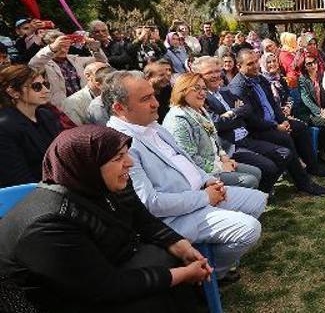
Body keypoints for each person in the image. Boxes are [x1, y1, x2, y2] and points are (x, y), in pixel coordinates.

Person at [0, 125, 212, 313]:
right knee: (154, 298)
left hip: (101, 273)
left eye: (126, 154)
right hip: (56, 299)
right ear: (86, 164)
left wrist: (180, 245)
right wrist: (182, 275)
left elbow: (142, 219)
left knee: (167, 258)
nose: (129, 163)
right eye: (117, 158)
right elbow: (102, 289)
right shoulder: (49, 224)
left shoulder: (102, 183)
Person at [103, 70, 266, 282]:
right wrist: (206, 197)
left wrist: (208, 180)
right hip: (176, 216)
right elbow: (150, 204)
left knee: (259, 200)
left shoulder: (152, 126)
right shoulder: (121, 144)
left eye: (153, 95)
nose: (156, 103)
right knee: (250, 229)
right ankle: (211, 275)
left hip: (200, 193)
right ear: (119, 108)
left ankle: (216, 259)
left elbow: (185, 159)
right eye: (146, 99)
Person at [230, 50, 325, 181]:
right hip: (257, 130)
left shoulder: (260, 79)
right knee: (284, 138)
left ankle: (313, 167)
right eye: (250, 63)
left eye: (256, 61)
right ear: (239, 66)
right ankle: (302, 180)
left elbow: (273, 104)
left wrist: (284, 121)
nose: (255, 66)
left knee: (301, 128)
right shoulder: (238, 87)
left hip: (274, 123)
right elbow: (251, 119)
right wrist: (276, 126)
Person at [192, 56, 291, 195]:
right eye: (209, 73)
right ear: (198, 76)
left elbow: (248, 109)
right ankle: (258, 195)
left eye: (216, 71)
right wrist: (237, 112)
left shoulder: (226, 91)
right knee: (268, 166)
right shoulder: (202, 98)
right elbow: (216, 124)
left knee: (284, 153)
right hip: (230, 146)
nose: (215, 75)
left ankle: (264, 192)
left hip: (246, 138)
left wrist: (232, 113)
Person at [162, 73, 262, 189]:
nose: (203, 93)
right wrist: (221, 167)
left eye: (204, 88)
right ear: (182, 90)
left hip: (217, 162)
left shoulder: (200, 110)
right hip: (201, 174)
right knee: (249, 181)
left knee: (256, 172)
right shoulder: (178, 120)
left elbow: (214, 139)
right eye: (196, 88)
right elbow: (189, 158)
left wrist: (225, 158)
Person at [0, 65, 61, 187]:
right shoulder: (4, 127)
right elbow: (18, 178)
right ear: (14, 92)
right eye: (37, 87)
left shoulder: (46, 115)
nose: (46, 90)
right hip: (32, 195)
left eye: (46, 84)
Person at [29, 30, 108, 108]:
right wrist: (51, 49)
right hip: (61, 109)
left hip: (84, 105)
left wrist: (95, 49)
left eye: (67, 43)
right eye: (61, 44)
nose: (65, 46)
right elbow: (32, 65)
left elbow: (103, 63)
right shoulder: (44, 63)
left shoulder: (75, 59)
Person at [297, 51, 325, 163]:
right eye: (308, 64)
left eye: (314, 62)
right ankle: (323, 152)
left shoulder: (323, 76)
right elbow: (307, 100)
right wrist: (320, 112)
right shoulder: (302, 80)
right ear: (304, 66)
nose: (312, 65)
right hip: (309, 113)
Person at [260, 52, 293, 117]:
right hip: (272, 117)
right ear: (263, 64)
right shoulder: (261, 82)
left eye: (274, 61)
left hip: (287, 114)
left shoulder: (280, 78)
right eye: (269, 62)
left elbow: (288, 96)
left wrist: (288, 107)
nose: (272, 64)